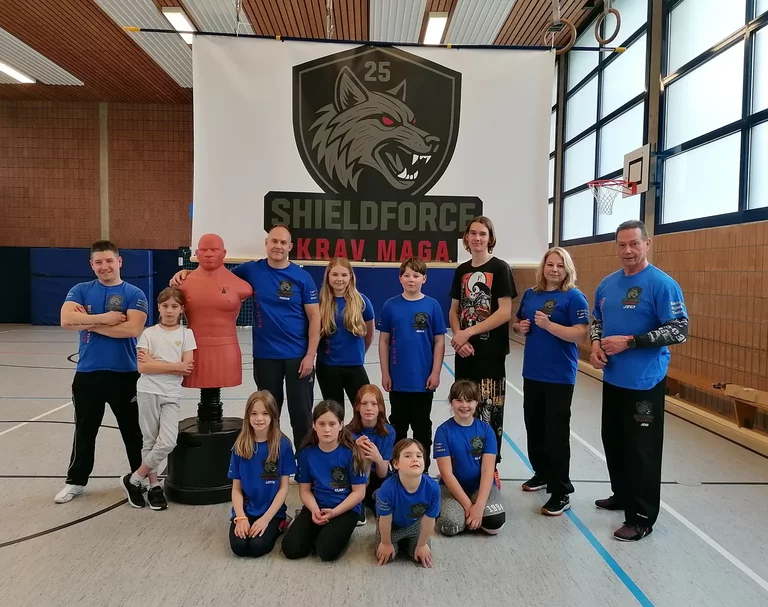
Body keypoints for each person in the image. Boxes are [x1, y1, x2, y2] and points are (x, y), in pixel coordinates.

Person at [172, 225, 319, 449]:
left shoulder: (302, 277)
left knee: (301, 414)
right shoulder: (252, 270)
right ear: (266, 244)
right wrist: (187, 274)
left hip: (298, 356)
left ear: (290, 246)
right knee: (267, 414)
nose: (278, 246)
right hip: (265, 355)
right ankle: (270, 459)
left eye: (283, 242)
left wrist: (310, 355)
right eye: (274, 241)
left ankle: (305, 462)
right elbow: (215, 275)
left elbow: (315, 317)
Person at [589, 220, 688, 542]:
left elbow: (679, 330)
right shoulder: (607, 285)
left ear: (647, 244)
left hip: (645, 382)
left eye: (634, 243)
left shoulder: (662, 284)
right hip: (614, 378)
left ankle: (642, 517)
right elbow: (597, 320)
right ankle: (622, 494)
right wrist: (595, 344)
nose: (628, 250)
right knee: (614, 441)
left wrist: (630, 342)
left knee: (641, 451)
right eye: (622, 245)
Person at [56, 240, 148, 504]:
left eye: (109, 260)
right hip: (88, 373)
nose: (104, 266)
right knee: (85, 430)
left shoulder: (134, 293)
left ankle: (139, 478)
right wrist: (105, 319)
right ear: (92, 265)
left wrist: (87, 322)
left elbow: (131, 329)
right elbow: (66, 320)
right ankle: (76, 481)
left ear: (119, 261)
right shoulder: (80, 290)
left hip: (125, 374)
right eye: (98, 262)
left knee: (133, 432)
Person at [512, 247, 589, 516]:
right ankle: (542, 473)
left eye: (560, 265)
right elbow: (517, 323)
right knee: (534, 428)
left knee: (555, 434)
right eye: (550, 264)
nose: (554, 269)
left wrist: (549, 326)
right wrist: (520, 328)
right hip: (533, 372)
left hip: (559, 376)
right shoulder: (531, 295)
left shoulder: (574, 297)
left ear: (567, 269)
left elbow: (580, 334)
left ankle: (561, 491)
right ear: (543, 268)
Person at [120, 287, 197, 510]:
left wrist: (158, 364)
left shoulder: (186, 334)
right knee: (150, 440)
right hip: (148, 391)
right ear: (159, 308)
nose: (169, 311)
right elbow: (143, 367)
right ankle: (154, 485)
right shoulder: (149, 334)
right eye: (165, 306)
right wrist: (174, 366)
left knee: (168, 441)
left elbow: (187, 367)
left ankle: (135, 478)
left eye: (174, 306)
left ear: (182, 309)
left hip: (171, 394)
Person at [449, 216, 516, 470]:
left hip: (491, 355)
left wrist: (468, 332)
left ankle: (490, 468)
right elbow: (454, 311)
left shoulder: (500, 268)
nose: (477, 238)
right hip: (465, 355)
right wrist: (459, 339)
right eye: (473, 233)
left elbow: (504, 312)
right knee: (464, 409)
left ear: (490, 238)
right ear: (466, 238)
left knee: (489, 412)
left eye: (483, 234)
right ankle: (464, 466)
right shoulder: (461, 271)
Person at [378, 257, 446, 468]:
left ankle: (422, 470)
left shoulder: (432, 306)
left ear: (424, 279)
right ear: (400, 278)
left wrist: (435, 372)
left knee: (422, 427)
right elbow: (384, 341)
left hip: (423, 382)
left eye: (416, 275)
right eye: (406, 275)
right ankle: (397, 468)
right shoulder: (390, 305)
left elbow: (439, 341)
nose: (411, 279)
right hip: (398, 381)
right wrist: (385, 373)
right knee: (397, 427)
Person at [281, 401, 367, 562]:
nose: (327, 429)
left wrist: (335, 512)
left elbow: (359, 492)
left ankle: (337, 530)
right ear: (314, 425)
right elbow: (305, 490)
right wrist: (314, 510)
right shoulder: (306, 453)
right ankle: (319, 528)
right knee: (291, 549)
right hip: (318, 506)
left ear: (341, 425)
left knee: (326, 552)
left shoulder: (351, 453)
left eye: (332, 424)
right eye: (322, 424)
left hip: (345, 508)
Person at [228, 391, 296, 558]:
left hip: (272, 512)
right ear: (247, 416)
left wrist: (266, 519)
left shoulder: (283, 445)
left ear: (273, 416)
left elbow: (283, 489)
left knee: (257, 547)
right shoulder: (240, 446)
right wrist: (241, 518)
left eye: (265, 413)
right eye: (254, 414)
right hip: (246, 510)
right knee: (239, 547)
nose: (259, 418)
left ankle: (281, 523)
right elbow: (236, 489)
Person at [433, 379, 505, 537]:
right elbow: (447, 473)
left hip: (480, 486)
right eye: (459, 400)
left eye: (469, 400)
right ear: (451, 402)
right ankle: (461, 512)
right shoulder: (443, 431)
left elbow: (487, 471)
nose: (464, 405)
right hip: (452, 488)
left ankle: (473, 515)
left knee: (495, 525)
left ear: (476, 402)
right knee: (450, 525)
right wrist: (468, 506)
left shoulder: (486, 430)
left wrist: (479, 506)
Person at [316, 257, 375, 412]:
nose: (339, 279)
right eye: (335, 274)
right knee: (334, 412)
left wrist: (358, 353)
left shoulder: (362, 302)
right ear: (328, 276)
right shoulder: (320, 302)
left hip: (355, 366)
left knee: (364, 409)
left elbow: (369, 334)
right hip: (328, 367)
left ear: (350, 277)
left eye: (344, 275)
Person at [374, 439, 440, 568]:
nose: (415, 459)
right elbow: (385, 519)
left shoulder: (433, 488)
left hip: (416, 523)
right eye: (408, 456)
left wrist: (422, 544)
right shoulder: (387, 488)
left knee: (420, 557)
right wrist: (386, 543)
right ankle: (377, 497)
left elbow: (429, 519)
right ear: (396, 463)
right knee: (387, 557)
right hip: (392, 525)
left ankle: (409, 542)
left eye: (419, 456)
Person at [347, 384, 396, 524]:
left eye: (373, 404)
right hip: (355, 478)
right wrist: (355, 450)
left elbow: (382, 473)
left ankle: (374, 498)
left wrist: (377, 457)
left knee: (389, 498)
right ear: (357, 407)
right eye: (364, 403)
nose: (369, 408)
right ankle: (359, 500)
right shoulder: (347, 432)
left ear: (380, 408)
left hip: (378, 478)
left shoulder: (388, 432)